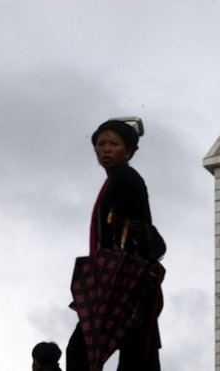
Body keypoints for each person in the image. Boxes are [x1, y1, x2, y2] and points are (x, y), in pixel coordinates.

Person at [66, 118, 163, 371]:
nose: (105, 149)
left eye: (113, 144)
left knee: (87, 350)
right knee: (136, 354)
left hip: (126, 281)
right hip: (126, 281)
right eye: (100, 144)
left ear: (128, 151)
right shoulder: (116, 180)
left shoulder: (127, 179)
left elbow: (120, 225)